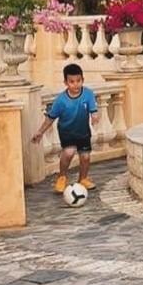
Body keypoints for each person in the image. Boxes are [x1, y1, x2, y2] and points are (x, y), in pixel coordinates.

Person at [32, 63, 99, 194]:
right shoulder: (61, 100)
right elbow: (50, 118)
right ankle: (62, 177)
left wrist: (94, 116)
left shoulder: (88, 94)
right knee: (68, 152)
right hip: (66, 131)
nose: (76, 84)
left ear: (83, 80)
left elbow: (93, 109)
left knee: (85, 156)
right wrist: (40, 132)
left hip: (83, 131)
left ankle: (83, 178)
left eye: (78, 81)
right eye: (72, 82)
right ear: (66, 83)